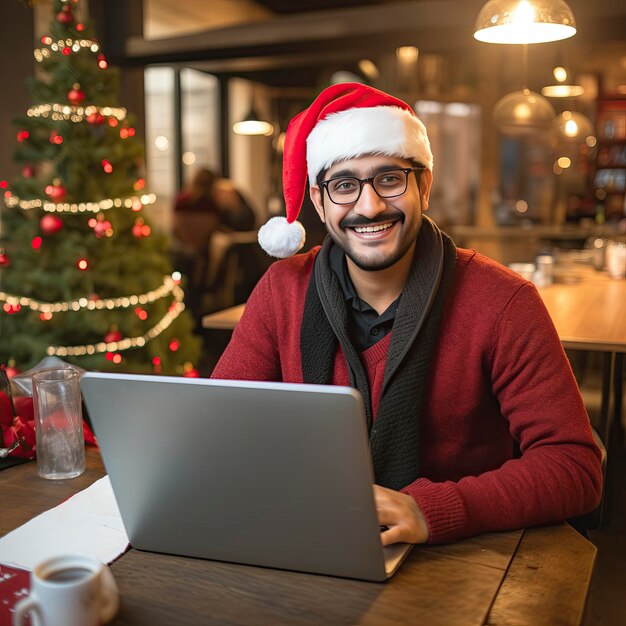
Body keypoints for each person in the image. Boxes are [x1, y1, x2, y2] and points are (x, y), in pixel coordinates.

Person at [211, 83, 602, 546]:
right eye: (343, 185)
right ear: (318, 202)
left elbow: (574, 466)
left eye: (390, 178)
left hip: (462, 557)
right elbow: (222, 430)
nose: (369, 205)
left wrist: (434, 509)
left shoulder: (504, 302)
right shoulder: (282, 290)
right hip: (314, 535)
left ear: (424, 186)